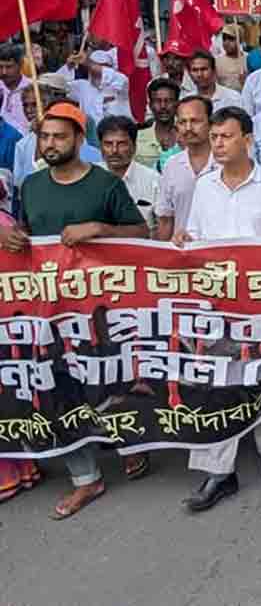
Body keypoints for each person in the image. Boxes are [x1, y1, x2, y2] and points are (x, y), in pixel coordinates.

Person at [2, 102, 148, 519]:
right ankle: (85, 478)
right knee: (57, 390)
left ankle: (128, 446)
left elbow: (140, 234)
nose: (50, 144)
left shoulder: (105, 185)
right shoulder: (30, 185)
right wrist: (15, 240)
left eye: (59, 136)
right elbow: (29, 235)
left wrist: (100, 229)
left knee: (108, 387)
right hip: (48, 312)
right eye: (45, 136)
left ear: (79, 140)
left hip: (100, 313)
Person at [175, 106, 261, 511]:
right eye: (213, 137)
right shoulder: (205, 187)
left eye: (225, 136)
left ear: (247, 140)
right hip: (215, 305)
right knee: (215, 381)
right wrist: (184, 241)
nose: (217, 143)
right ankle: (218, 472)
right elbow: (195, 238)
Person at [13, 82, 102, 193]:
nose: (29, 110)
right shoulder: (23, 145)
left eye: (35, 105)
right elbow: (21, 184)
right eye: (25, 105)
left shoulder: (93, 154)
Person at [155, 96, 215, 241]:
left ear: (210, 123)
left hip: (221, 253)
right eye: (183, 122)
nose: (188, 128)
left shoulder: (226, 162)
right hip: (183, 255)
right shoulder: (171, 165)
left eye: (195, 121)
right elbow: (166, 219)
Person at [98, 115, 159, 232]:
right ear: (100, 147)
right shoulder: (88, 178)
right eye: (108, 144)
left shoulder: (153, 180)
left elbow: (162, 227)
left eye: (121, 144)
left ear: (134, 147)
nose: (114, 150)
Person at [67, 50, 132, 124]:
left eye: (103, 65)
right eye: (98, 65)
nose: (98, 69)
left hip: (119, 131)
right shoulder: (82, 86)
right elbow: (58, 84)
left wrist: (88, 63)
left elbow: (107, 74)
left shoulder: (120, 79)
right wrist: (68, 67)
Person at [136, 78, 181, 171]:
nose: (163, 106)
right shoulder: (137, 138)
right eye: (157, 101)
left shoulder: (186, 136)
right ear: (150, 105)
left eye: (168, 100)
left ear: (177, 103)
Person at [0, 44, 30, 133]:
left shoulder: (33, 89)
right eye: (0, 67)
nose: (4, 72)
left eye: (9, 67)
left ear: (20, 65)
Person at [215, 24, 248, 91]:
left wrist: (246, 82)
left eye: (231, 39)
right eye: (224, 39)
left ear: (240, 40)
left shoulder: (249, 59)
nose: (226, 42)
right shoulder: (217, 61)